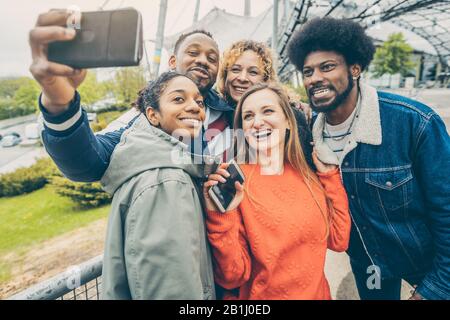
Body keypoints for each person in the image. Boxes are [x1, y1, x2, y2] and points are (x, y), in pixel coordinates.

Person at [287, 17, 450, 300]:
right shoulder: (309, 137)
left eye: (327, 67)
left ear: (355, 68)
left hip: (428, 261)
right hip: (369, 266)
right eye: (308, 71)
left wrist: (434, 289)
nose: (314, 78)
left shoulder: (414, 123)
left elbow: (446, 210)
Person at [29, 9, 233, 182]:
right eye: (193, 52)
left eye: (212, 58)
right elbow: (88, 162)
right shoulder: (142, 119)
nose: (203, 61)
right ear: (172, 62)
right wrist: (60, 105)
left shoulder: (232, 113)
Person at [202, 82, 351, 299]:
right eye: (249, 116)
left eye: (268, 111)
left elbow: (339, 239)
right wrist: (219, 216)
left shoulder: (308, 173)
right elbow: (232, 276)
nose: (257, 122)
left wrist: (330, 178)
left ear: (288, 121)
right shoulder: (234, 181)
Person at [100, 71, 215, 299]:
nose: (194, 107)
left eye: (199, 102)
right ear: (153, 115)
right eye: (178, 99)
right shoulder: (165, 181)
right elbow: (172, 290)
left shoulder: (149, 163)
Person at [216, 39, 314, 166]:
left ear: (266, 79)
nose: (242, 78)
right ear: (225, 74)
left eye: (253, 72)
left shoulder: (290, 115)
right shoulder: (215, 113)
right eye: (235, 69)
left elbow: (305, 168)